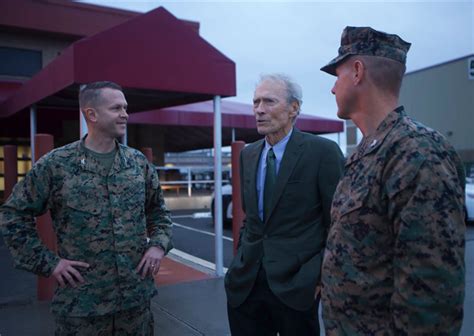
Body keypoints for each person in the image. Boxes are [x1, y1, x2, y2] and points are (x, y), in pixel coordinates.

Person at [320, 26, 466, 335]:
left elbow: (431, 296)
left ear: (357, 71)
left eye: (338, 75)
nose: (333, 88)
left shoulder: (417, 152)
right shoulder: (367, 152)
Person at [0, 81, 173, 335]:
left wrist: (158, 244)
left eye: (125, 107)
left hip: (135, 304)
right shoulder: (57, 165)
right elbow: (13, 214)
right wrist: (49, 263)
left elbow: (158, 212)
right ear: (91, 114)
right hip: (82, 308)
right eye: (116, 108)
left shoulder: (137, 163)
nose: (125, 114)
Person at [224, 73, 344, 335]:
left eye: (269, 101)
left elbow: (338, 225)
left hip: (297, 287)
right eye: (255, 102)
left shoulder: (322, 153)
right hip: (246, 285)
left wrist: (318, 276)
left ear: (294, 108)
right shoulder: (249, 154)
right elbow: (251, 218)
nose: (259, 110)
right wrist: (238, 262)